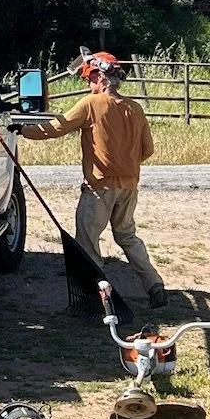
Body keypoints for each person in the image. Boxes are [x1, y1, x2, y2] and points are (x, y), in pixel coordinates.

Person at [21, 52, 168, 310]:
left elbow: (57, 128)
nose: (89, 85)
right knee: (128, 236)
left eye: (90, 79)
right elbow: (148, 149)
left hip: (99, 188)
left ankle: (94, 296)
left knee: (88, 242)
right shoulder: (135, 108)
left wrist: (22, 130)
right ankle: (154, 285)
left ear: (100, 76)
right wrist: (125, 164)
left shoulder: (91, 104)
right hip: (129, 186)